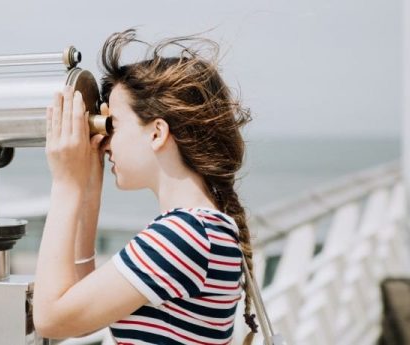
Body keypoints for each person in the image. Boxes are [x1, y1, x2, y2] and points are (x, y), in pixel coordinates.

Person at [33, 29, 257, 345]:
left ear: (156, 133)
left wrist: (65, 184)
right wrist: (89, 193)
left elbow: (49, 319)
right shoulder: (206, 228)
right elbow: (78, 320)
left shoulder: (184, 235)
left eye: (114, 124)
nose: (106, 141)